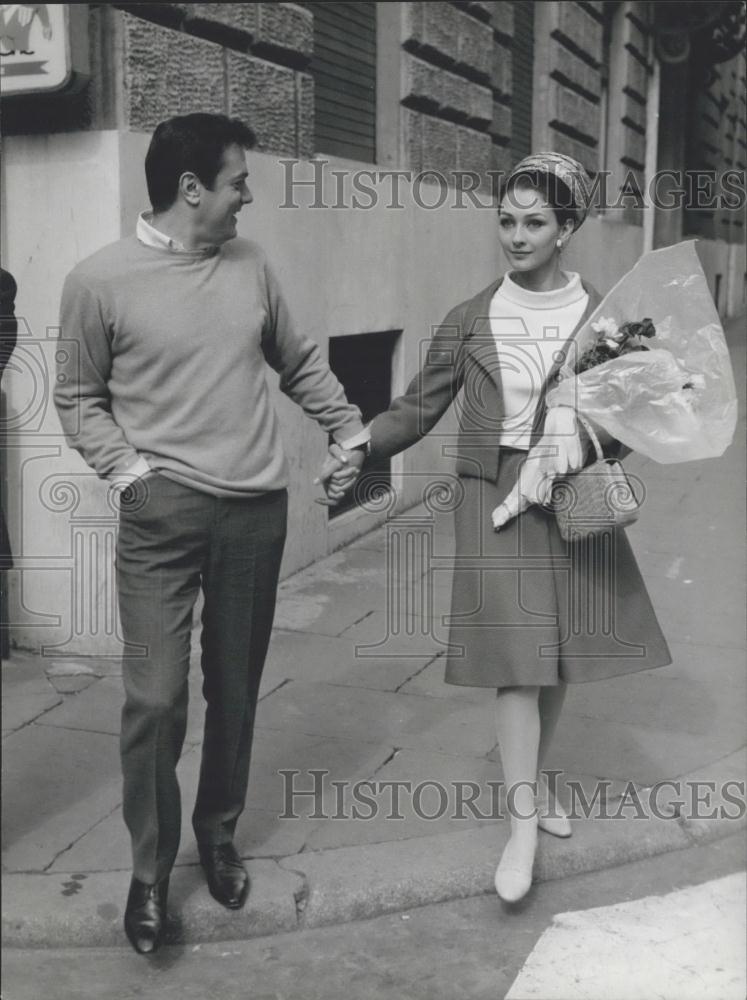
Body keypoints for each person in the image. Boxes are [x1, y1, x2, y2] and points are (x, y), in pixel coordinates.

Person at [54, 113, 367, 954]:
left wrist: (349, 429)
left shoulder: (251, 264)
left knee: (234, 688)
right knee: (154, 700)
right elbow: (77, 400)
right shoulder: (98, 281)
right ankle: (149, 874)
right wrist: (129, 476)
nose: (247, 196)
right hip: (161, 517)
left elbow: (296, 359)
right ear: (191, 189)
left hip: (253, 516)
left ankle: (218, 835)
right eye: (237, 181)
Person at [322, 152, 671, 904]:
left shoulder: (602, 317)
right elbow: (418, 406)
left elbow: (628, 413)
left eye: (534, 223)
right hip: (493, 498)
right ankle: (520, 826)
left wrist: (586, 441)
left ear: (566, 228)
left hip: (568, 491)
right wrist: (358, 445)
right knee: (517, 664)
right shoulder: (472, 315)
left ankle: (537, 782)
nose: (515, 236)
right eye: (506, 220)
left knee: (556, 655)